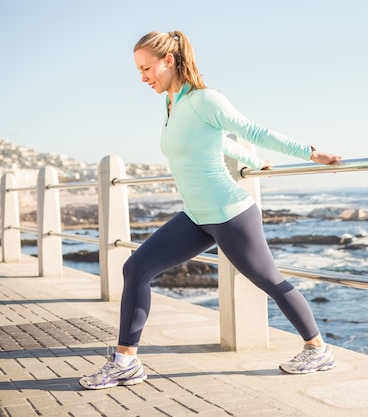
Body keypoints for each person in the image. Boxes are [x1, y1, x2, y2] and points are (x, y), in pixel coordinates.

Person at [79, 30, 342, 390]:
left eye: (146, 68)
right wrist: (253, 161)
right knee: (135, 267)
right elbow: (215, 142)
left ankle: (317, 349)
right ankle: (126, 362)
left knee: (269, 280)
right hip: (196, 216)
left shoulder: (206, 100)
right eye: (139, 71)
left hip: (229, 212)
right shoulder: (172, 104)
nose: (143, 77)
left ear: (168, 61)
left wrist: (312, 153)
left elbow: (252, 130)